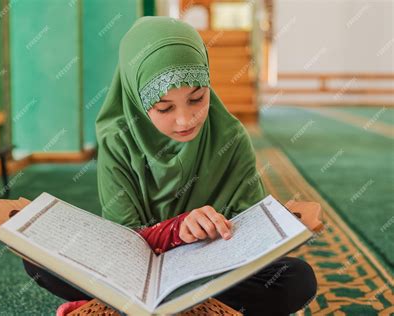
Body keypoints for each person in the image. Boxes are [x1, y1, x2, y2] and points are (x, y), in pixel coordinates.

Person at [22, 16, 317, 316]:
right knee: (38, 261)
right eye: (164, 107)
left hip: (211, 273)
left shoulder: (229, 136)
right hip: (137, 272)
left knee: (296, 278)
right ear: (137, 100)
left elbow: (252, 233)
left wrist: (216, 231)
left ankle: (121, 307)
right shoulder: (118, 141)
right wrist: (177, 229)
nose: (185, 119)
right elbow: (124, 241)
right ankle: (186, 309)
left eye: (197, 99)